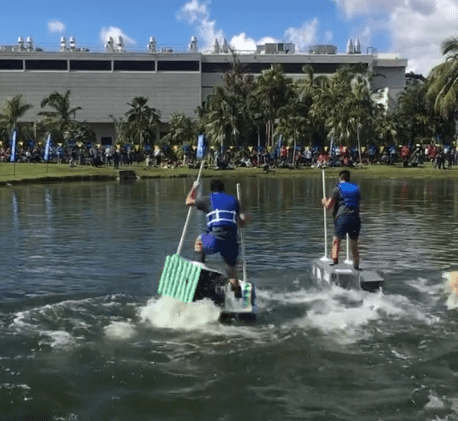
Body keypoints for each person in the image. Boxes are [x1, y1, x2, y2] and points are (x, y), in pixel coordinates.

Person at [185, 179, 248, 295]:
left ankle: (201, 266)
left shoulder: (208, 199)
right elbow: (243, 221)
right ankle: (238, 297)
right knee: (233, 272)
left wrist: (194, 188)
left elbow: (188, 201)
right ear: (224, 189)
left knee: (199, 240)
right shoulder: (235, 200)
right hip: (231, 242)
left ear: (212, 190)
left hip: (215, 240)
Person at [322, 169, 361, 270]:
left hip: (342, 218)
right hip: (355, 218)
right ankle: (356, 266)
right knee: (354, 243)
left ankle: (334, 261)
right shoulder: (356, 188)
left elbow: (328, 206)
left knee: (336, 240)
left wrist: (324, 201)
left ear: (340, 178)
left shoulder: (337, 188)